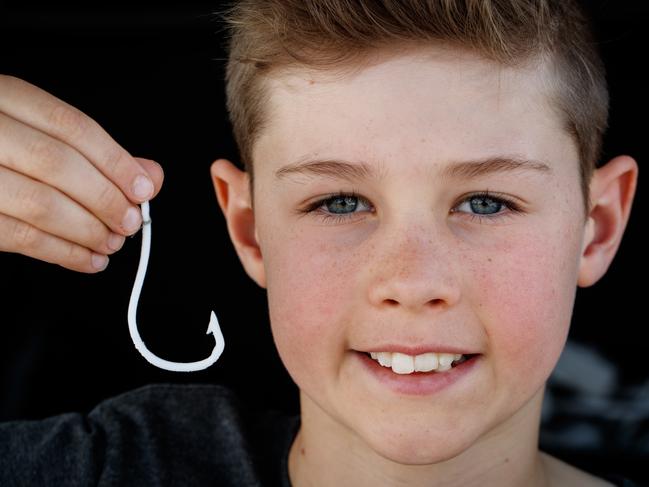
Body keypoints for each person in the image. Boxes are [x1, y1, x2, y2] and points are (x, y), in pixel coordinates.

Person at [0, 0, 640, 485]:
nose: (413, 283)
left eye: (486, 202)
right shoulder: (107, 466)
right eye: (340, 203)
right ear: (250, 230)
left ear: (599, 226)